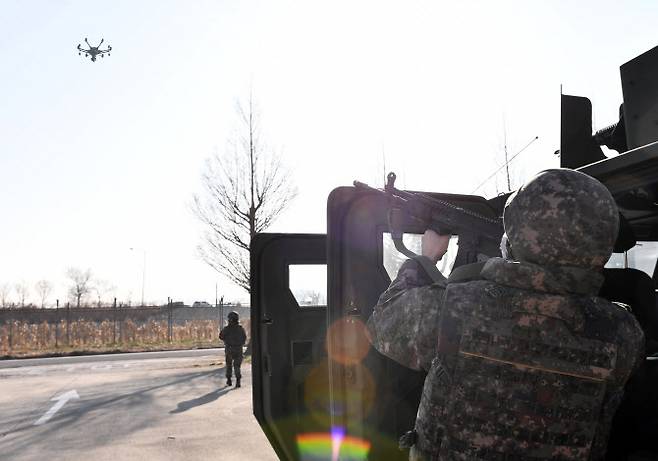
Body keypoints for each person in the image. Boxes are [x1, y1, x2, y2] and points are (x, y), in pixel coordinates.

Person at [367, 169, 645, 460]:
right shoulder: (623, 333)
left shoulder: (457, 307)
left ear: (516, 235)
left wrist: (424, 259)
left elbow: (382, 325)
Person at [219, 311, 247, 388]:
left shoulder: (227, 329)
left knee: (229, 365)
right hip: (238, 349)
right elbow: (244, 338)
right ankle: (238, 381)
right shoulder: (240, 328)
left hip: (229, 349)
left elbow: (221, 336)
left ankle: (229, 380)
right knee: (237, 366)